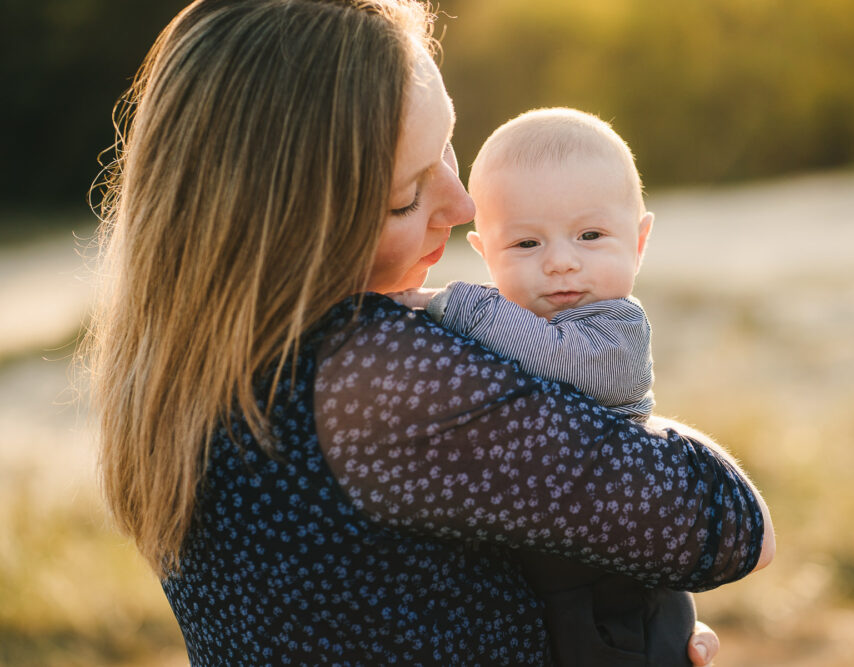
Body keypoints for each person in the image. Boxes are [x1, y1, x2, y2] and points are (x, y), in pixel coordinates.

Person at [87, 1, 774, 665]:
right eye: (405, 197)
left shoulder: (176, 368)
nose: (464, 203)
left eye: (448, 144)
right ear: (293, 228)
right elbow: (734, 525)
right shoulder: (377, 375)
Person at [390, 106, 702, 666]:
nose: (560, 262)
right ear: (487, 255)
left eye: (589, 235)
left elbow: (574, 365)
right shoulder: (505, 324)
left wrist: (457, 304)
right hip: (544, 580)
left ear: (639, 241)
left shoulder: (614, 326)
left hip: (616, 588)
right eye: (526, 245)